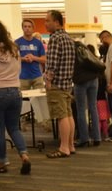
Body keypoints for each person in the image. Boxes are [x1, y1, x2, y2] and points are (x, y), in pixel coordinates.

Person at [0, 18, 32, 175]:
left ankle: (1, 162)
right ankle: (24, 155)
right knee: (14, 128)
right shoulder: (13, 47)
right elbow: (19, 70)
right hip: (15, 92)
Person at [43, 10, 76, 158]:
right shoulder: (68, 38)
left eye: (47, 20)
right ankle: (70, 145)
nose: (45, 23)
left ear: (56, 22)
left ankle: (63, 148)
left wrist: (48, 80)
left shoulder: (55, 39)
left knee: (61, 116)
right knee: (68, 115)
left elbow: (52, 63)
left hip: (57, 84)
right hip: (67, 83)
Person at [72, 42, 103, 148]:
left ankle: (84, 139)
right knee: (93, 108)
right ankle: (97, 138)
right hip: (94, 79)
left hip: (81, 81)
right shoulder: (86, 51)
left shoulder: (72, 52)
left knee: (80, 110)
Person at [15, 19, 47, 90]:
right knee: (23, 96)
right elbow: (13, 59)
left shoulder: (38, 43)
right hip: (22, 76)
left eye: (29, 27)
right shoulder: (17, 42)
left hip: (37, 76)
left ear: (33, 28)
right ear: (22, 28)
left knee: (39, 96)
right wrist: (23, 59)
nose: (27, 28)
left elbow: (44, 59)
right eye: (25, 26)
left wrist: (33, 58)